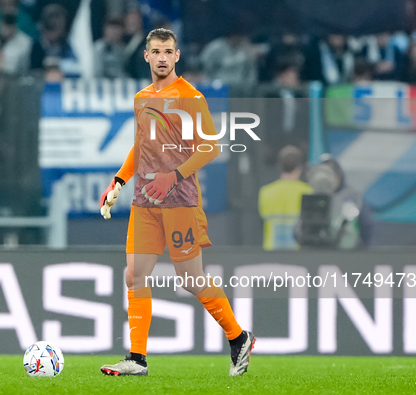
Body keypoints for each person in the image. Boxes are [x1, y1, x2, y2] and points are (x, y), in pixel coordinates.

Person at [99, 28, 255, 377]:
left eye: (168, 51)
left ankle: (238, 337)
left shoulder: (190, 97)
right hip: (144, 201)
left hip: (179, 200)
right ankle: (136, 359)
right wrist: (119, 180)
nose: (162, 57)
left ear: (177, 55)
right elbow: (141, 147)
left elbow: (210, 147)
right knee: (134, 274)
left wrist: (174, 175)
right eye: (156, 51)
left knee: (191, 278)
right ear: (146, 56)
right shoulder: (142, 98)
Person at [258, 145, 313, 250]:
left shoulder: (266, 192)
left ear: (279, 166)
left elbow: (263, 215)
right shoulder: (308, 192)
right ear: (300, 167)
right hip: (298, 251)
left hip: (271, 251)